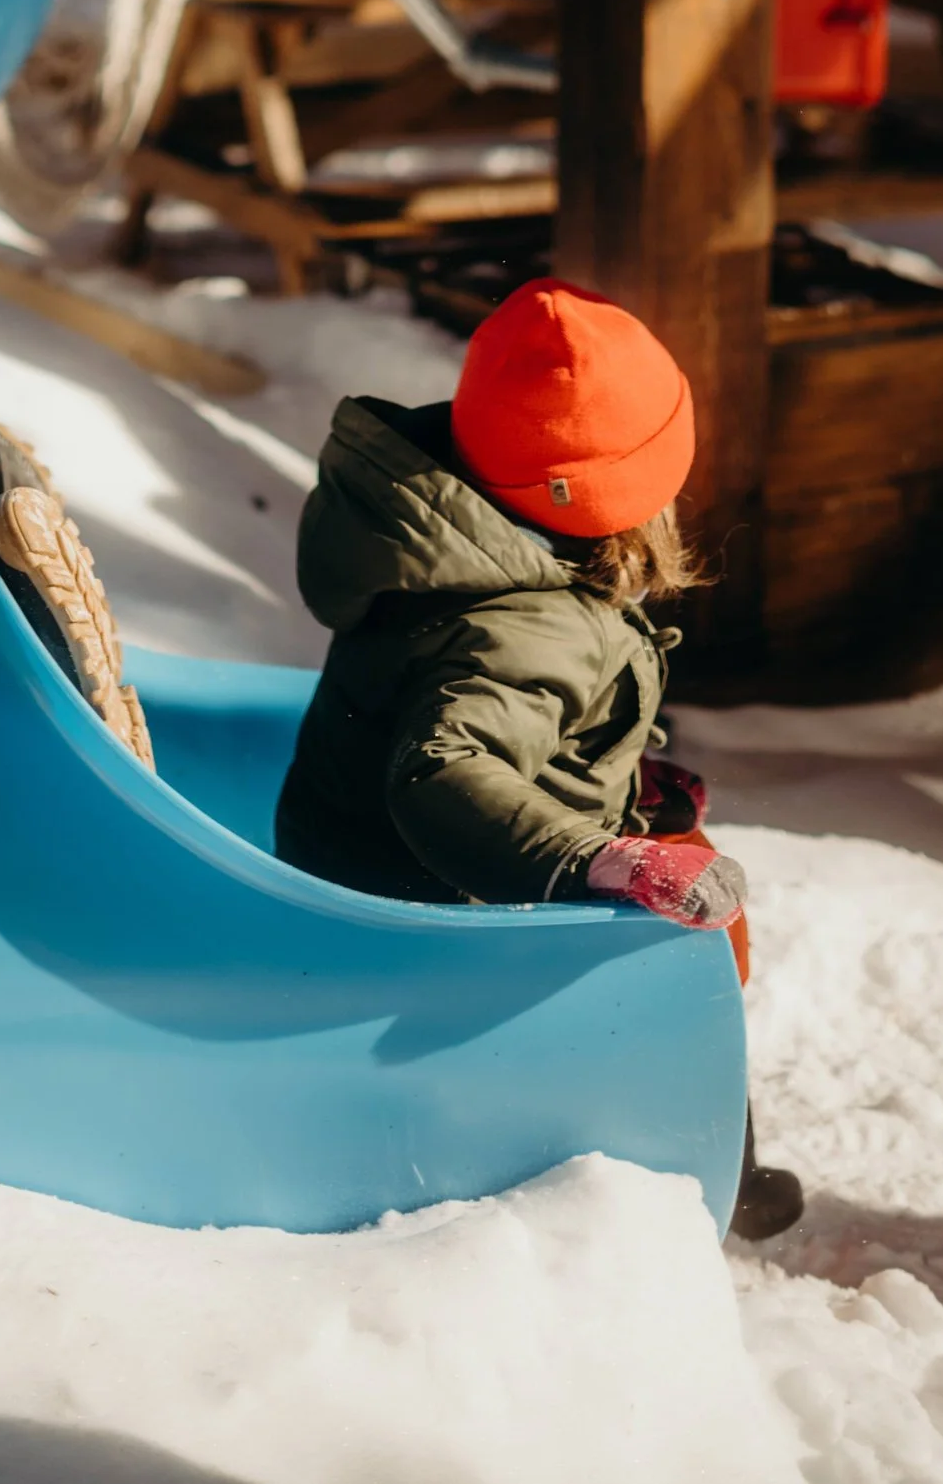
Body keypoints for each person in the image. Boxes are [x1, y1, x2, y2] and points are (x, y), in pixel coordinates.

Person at [274, 273, 804, 1241]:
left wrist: (614, 776)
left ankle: (713, 1140)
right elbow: (444, 764)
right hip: (431, 909)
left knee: (687, 861)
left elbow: (486, 714)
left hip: (387, 860)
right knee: (694, 931)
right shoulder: (532, 625)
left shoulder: (452, 530)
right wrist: (601, 855)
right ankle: (697, 1157)